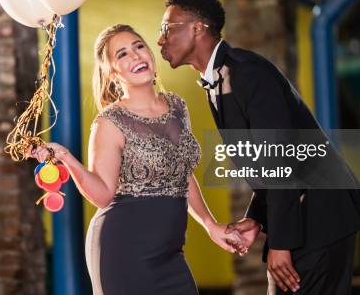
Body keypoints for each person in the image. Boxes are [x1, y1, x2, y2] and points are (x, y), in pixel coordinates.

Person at [157, 0, 360, 295]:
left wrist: (283, 244)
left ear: (198, 28)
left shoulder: (246, 72)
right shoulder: (219, 78)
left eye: (167, 29)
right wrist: (255, 219)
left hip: (320, 217)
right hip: (302, 217)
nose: (160, 40)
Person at [29, 24, 242, 295]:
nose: (136, 56)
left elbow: (182, 176)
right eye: (122, 54)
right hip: (123, 251)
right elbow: (103, 196)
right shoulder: (109, 122)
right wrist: (67, 158)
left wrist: (210, 225)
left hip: (171, 255)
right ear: (111, 72)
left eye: (139, 47)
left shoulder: (177, 107)